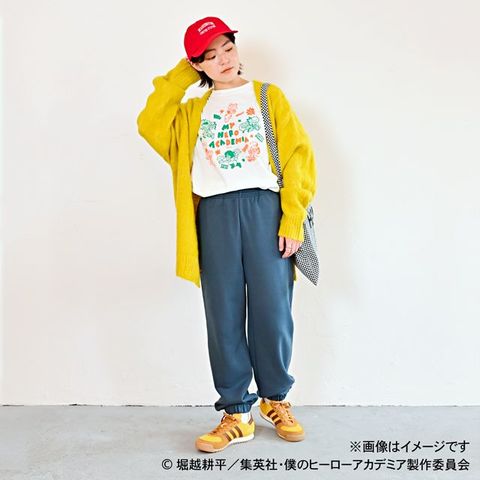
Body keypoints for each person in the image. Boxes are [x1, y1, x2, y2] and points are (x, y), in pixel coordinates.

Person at [137, 16, 316, 453]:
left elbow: (298, 156)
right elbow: (148, 121)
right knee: (224, 314)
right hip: (214, 214)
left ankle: (275, 398)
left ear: (237, 48)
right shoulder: (190, 113)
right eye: (210, 55)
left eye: (228, 48)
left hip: (264, 210)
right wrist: (182, 75)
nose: (223, 60)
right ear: (197, 64)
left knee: (273, 310)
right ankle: (237, 412)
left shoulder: (268, 96)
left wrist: (292, 218)